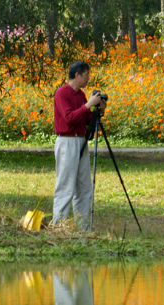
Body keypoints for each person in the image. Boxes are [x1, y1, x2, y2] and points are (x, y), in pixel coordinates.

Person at [52, 61, 106, 229]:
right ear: (77, 75)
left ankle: (82, 228)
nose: (89, 78)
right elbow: (69, 118)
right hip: (67, 141)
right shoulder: (62, 93)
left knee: (84, 186)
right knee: (66, 185)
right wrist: (88, 105)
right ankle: (59, 226)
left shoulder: (81, 95)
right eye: (87, 74)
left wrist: (100, 109)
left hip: (81, 140)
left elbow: (88, 119)